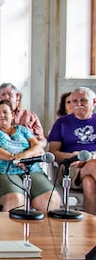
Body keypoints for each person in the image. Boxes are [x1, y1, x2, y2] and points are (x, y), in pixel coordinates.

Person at [0, 100, 61, 212]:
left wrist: (22, 156)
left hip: (30, 170)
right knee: (16, 200)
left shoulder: (22, 130)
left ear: (13, 114)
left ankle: (42, 230)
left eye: (5, 112)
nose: (1, 115)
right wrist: (14, 159)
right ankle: (11, 230)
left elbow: (38, 147)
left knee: (51, 199)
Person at [48, 87, 96, 215]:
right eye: (74, 101)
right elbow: (53, 152)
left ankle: (90, 229)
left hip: (92, 164)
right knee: (93, 165)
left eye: (83, 100)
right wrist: (74, 157)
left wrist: (89, 157)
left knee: (89, 183)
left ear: (94, 102)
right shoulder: (61, 123)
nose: (78, 104)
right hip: (70, 167)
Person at [0, 82, 47, 146]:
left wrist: (30, 146)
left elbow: (42, 141)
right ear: (0, 97)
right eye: (3, 94)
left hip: (29, 151)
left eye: (9, 94)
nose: (7, 97)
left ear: (17, 96)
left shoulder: (30, 116)